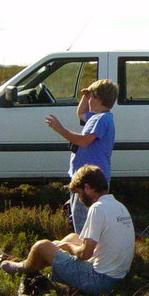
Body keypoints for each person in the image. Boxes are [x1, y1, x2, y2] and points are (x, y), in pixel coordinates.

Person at [0, 165, 135, 296]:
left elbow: (85, 254)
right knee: (72, 237)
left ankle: (23, 267)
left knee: (42, 246)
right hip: (118, 277)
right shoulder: (118, 205)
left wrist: (68, 248)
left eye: (79, 193)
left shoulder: (97, 208)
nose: (80, 199)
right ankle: (41, 261)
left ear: (87, 187)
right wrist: (67, 245)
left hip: (99, 281)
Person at [45, 79, 118, 233]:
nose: (89, 100)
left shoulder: (100, 119)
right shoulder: (98, 117)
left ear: (97, 100)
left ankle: (84, 252)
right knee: (85, 221)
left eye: (91, 97)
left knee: (84, 224)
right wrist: (86, 95)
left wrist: (60, 129)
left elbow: (84, 140)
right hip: (89, 178)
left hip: (90, 181)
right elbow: (81, 112)